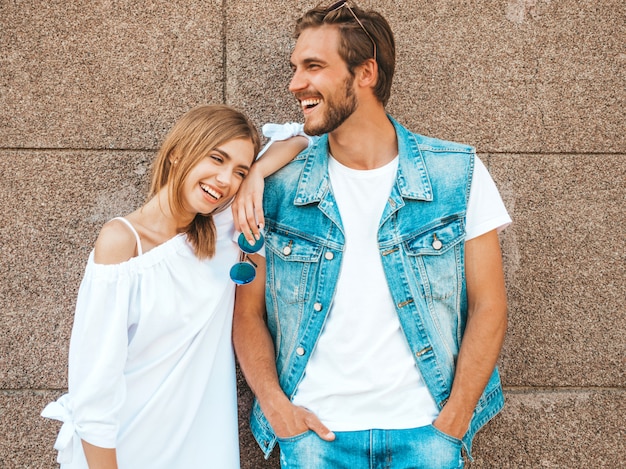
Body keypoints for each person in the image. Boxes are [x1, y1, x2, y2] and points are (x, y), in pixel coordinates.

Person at [232, 2, 512, 468]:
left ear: (365, 72)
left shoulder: (455, 175)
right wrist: (277, 409)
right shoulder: (276, 187)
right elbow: (248, 313)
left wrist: (456, 417)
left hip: (427, 433)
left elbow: (490, 304)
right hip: (313, 437)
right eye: (295, 67)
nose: (294, 83)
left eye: (313, 67)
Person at [41, 104, 301, 469]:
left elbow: (302, 137)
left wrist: (257, 173)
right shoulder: (123, 242)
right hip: (124, 452)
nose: (226, 180)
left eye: (237, 171)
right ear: (178, 154)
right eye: (216, 158)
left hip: (200, 451)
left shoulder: (226, 230)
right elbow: (93, 392)